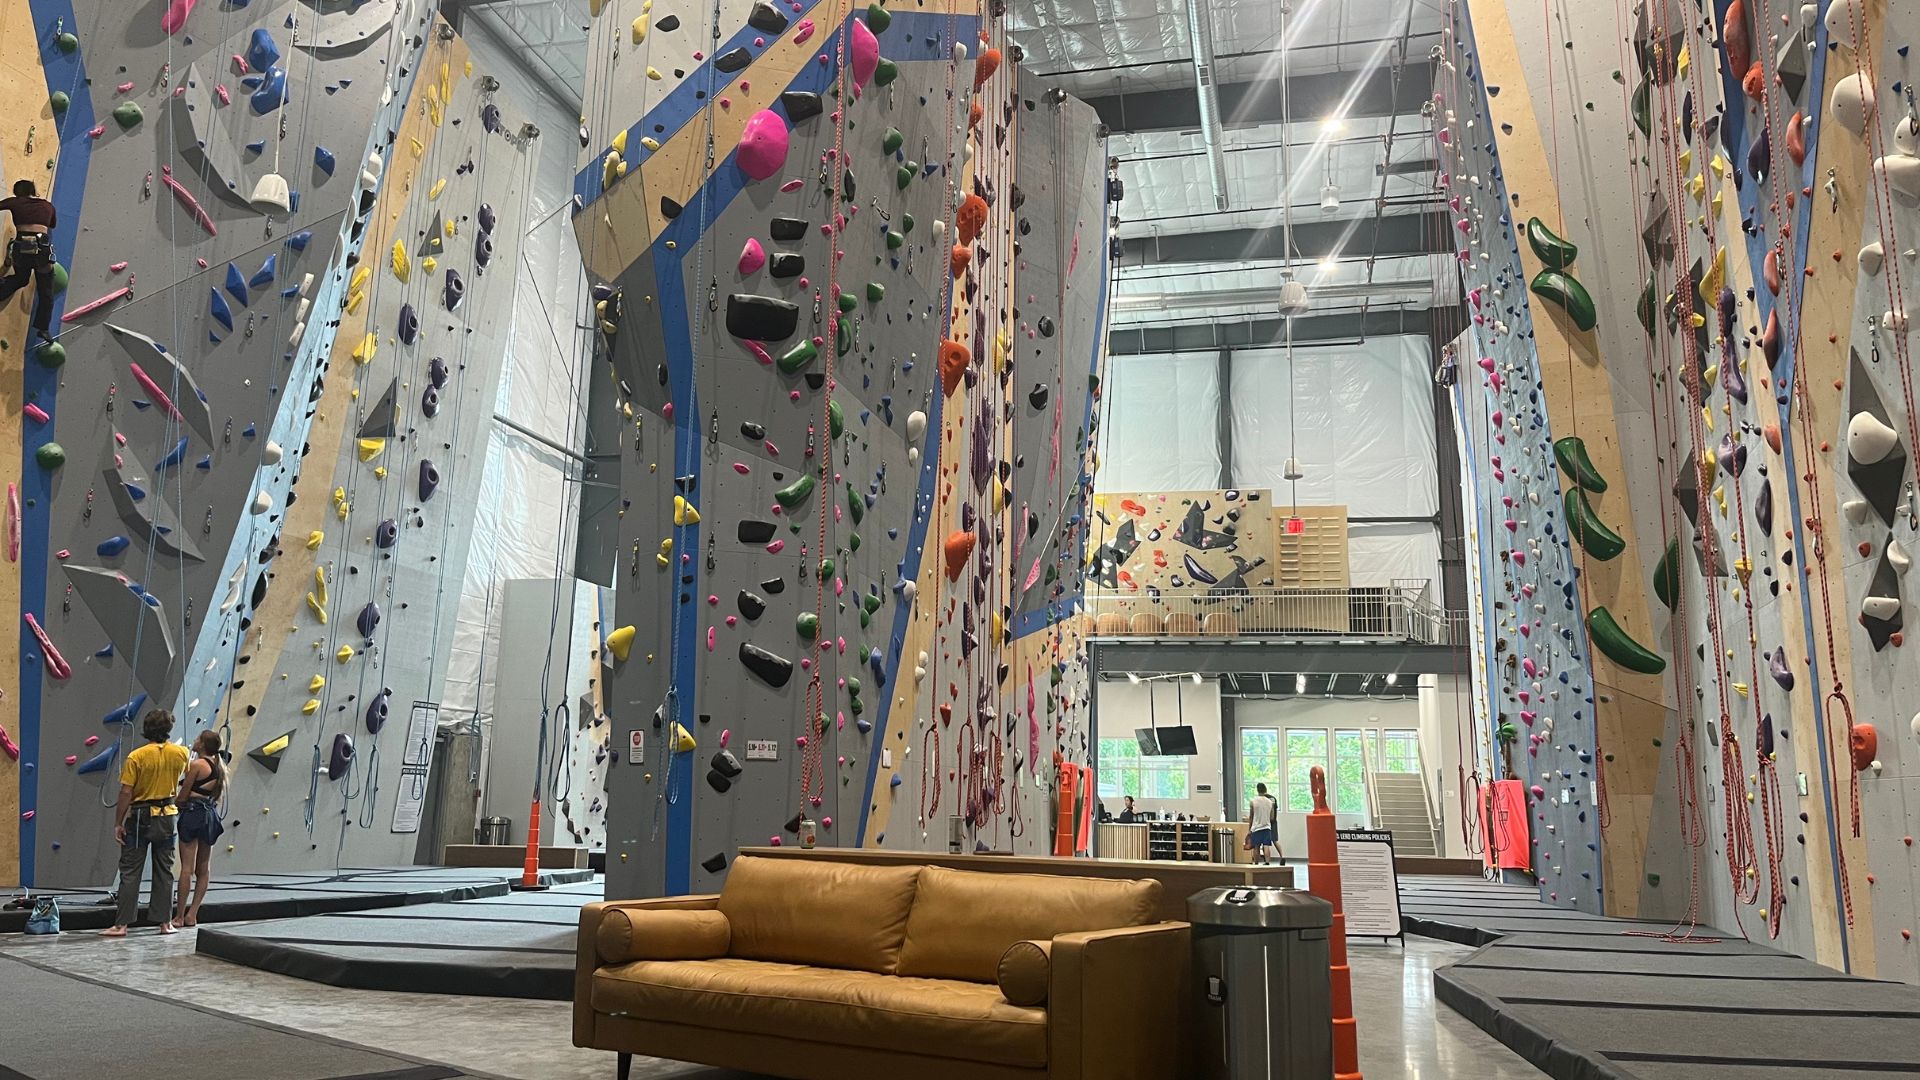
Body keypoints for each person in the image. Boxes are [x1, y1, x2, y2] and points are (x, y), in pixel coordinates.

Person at [104, 709, 189, 937]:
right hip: (168, 815)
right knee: (165, 870)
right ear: (168, 729)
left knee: (131, 871)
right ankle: (165, 923)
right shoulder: (181, 753)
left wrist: (118, 822)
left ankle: (121, 925)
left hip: (141, 815)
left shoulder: (137, 756)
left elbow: (126, 792)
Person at [173, 730, 226, 928]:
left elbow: (183, 795)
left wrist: (176, 804)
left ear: (202, 744)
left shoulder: (196, 765)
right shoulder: (218, 767)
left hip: (194, 813)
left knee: (187, 868)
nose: (194, 741)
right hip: (210, 815)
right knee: (203, 868)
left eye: (197, 739)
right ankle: (192, 914)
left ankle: (179, 916)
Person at [0, 179, 59, 343]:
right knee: (46, 291)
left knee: (20, 279)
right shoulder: (48, 206)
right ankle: (43, 328)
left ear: (18, 193)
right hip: (42, 248)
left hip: (23, 247)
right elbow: (52, 224)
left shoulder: (16, 201)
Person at [1247, 782, 1280, 864]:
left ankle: (1256, 863)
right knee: (1266, 845)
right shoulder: (1270, 802)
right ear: (1265, 789)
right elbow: (1272, 817)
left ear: (1257, 790)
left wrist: (1249, 829)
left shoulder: (1253, 801)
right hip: (1267, 827)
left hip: (1256, 827)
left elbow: (1251, 816)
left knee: (1256, 846)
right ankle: (1267, 862)